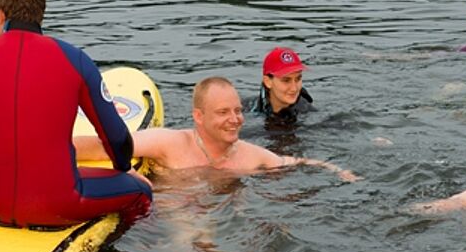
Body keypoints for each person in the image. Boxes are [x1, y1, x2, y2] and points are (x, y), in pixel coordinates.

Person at [0, 0, 152, 227]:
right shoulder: (75, 59)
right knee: (141, 191)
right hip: (59, 204)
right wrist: (122, 167)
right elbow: (116, 137)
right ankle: (124, 246)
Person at [76, 76, 357, 182]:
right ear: (198, 116)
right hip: (169, 227)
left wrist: (337, 170)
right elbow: (107, 144)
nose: (234, 119)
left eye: (237, 111)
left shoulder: (250, 155)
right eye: (223, 112)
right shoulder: (169, 143)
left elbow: (293, 162)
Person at [250, 46, 314, 125]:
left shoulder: (308, 113)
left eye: (298, 79)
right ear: (268, 82)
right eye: (286, 80)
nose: (294, 88)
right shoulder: (245, 109)